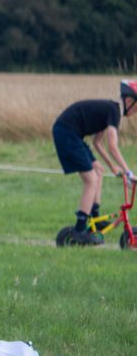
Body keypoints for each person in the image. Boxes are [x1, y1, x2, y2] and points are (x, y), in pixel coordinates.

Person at [52, 80, 137, 245]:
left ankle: (95, 219)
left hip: (72, 133)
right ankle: (79, 229)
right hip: (67, 132)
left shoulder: (111, 110)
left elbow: (98, 143)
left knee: (98, 170)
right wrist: (129, 173)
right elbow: (112, 146)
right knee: (90, 180)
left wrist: (113, 167)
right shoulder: (114, 111)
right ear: (128, 100)